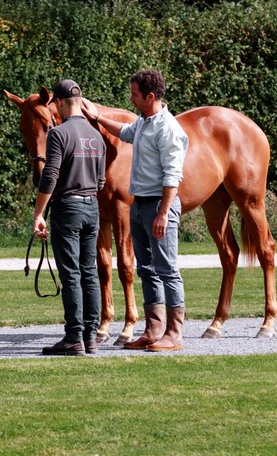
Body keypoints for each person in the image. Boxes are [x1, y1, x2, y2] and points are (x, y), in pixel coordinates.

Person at [86, 69, 189, 352]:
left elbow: (172, 175)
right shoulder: (144, 123)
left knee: (167, 269)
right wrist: (97, 118)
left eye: (134, 94)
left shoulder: (168, 130)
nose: (130, 99)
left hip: (159, 204)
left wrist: (163, 213)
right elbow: (124, 131)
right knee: (146, 269)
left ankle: (174, 333)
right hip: (140, 203)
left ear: (150, 96)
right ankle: (153, 329)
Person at [32, 78, 106, 356]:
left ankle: (73, 337)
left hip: (68, 208)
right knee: (90, 272)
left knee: (71, 273)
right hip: (92, 208)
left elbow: (50, 175)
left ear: (60, 103)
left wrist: (39, 213)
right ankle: (90, 337)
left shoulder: (58, 134)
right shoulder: (96, 135)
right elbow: (101, 181)